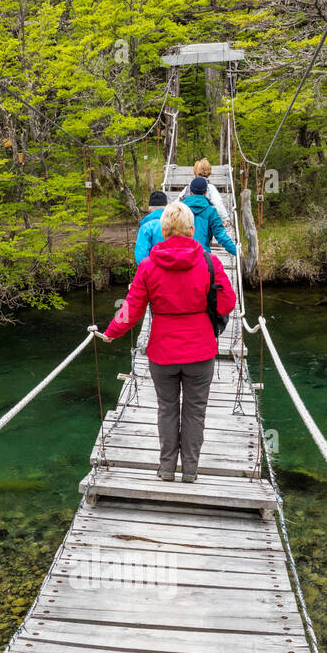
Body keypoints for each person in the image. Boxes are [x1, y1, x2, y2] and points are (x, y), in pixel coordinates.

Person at [98, 201, 236, 483]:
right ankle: (191, 471)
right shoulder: (210, 262)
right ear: (191, 228)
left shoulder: (148, 266)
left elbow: (131, 309)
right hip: (200, 350)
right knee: (196, 411)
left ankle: (165, 468)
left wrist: (112, 332)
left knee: (167, 408)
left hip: (162, 352)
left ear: (163, 229)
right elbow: (228, 302)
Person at [182, 176, 237, 258]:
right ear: (206, 193)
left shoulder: (178, 208)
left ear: (190, 191)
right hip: (202, 256)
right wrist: (236, 251)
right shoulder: (211, 212)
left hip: (181, 254)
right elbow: (221, 235)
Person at [134, 190, 167, 264]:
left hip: (153, 271)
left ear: (149, 210)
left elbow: (141, 255)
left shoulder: (146, 227)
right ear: (166, 208)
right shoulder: (175, 224)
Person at [193, 158, 229, 222]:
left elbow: (178, 201)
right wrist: (225, 219)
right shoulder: (210, 188)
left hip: (190, 221)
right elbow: (218, 204)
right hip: (204, 221)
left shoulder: (188, 187)